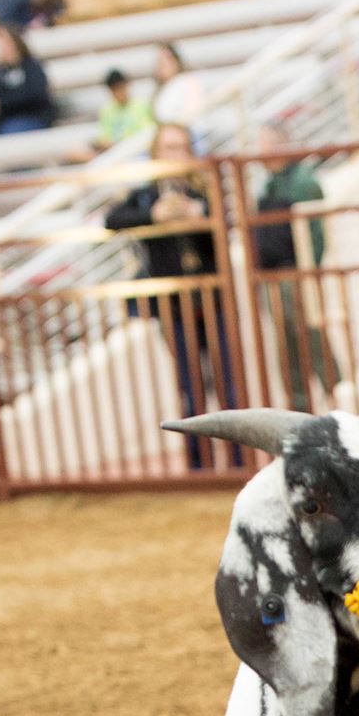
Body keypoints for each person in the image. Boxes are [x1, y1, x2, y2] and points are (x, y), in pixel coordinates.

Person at [105, 123, 241, 469]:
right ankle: (200, 463)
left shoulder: (206, 188)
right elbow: (111, 219)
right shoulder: (145, 193)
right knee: (189, 385)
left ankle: (239, 460)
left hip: (213, 301)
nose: (175, 154)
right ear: (155, 153)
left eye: (181, 147)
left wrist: (202, 217)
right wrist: (154, 216)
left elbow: (230, 225)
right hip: (173, 305)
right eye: (168, 147)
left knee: (228, 383)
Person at [250, 122, 335, 408]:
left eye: (268, 144)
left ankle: (339, 398)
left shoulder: (302, 181)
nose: (262, 153)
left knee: (311, 338)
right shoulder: (267, 184)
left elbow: (315, 234)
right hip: (273, 275)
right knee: (286, 349)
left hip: (295, 273)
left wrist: (307, 272)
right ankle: (299, 408)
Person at [0, 28, 56, 136]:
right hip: (2, 121)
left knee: (10, 130)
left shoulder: (31, 66)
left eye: (6, 43)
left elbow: (35, 92)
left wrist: (0, 103)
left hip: (32, 117)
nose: (2, 48)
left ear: (16, 43)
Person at [82, 67, 155, 157]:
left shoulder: (142, 105)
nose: (119, 93)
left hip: (137, 151)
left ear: (127, 85)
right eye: (114, 90)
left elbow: (146, 135)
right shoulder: (106, 110)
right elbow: (105, 138)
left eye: (120, 88)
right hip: (114, 153)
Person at [149, 42, 204, 128]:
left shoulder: (187, 81)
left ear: (176, 61)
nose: (164, 64)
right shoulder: (160, 90)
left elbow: (193, 112)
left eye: (168, 59)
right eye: (160, 61)